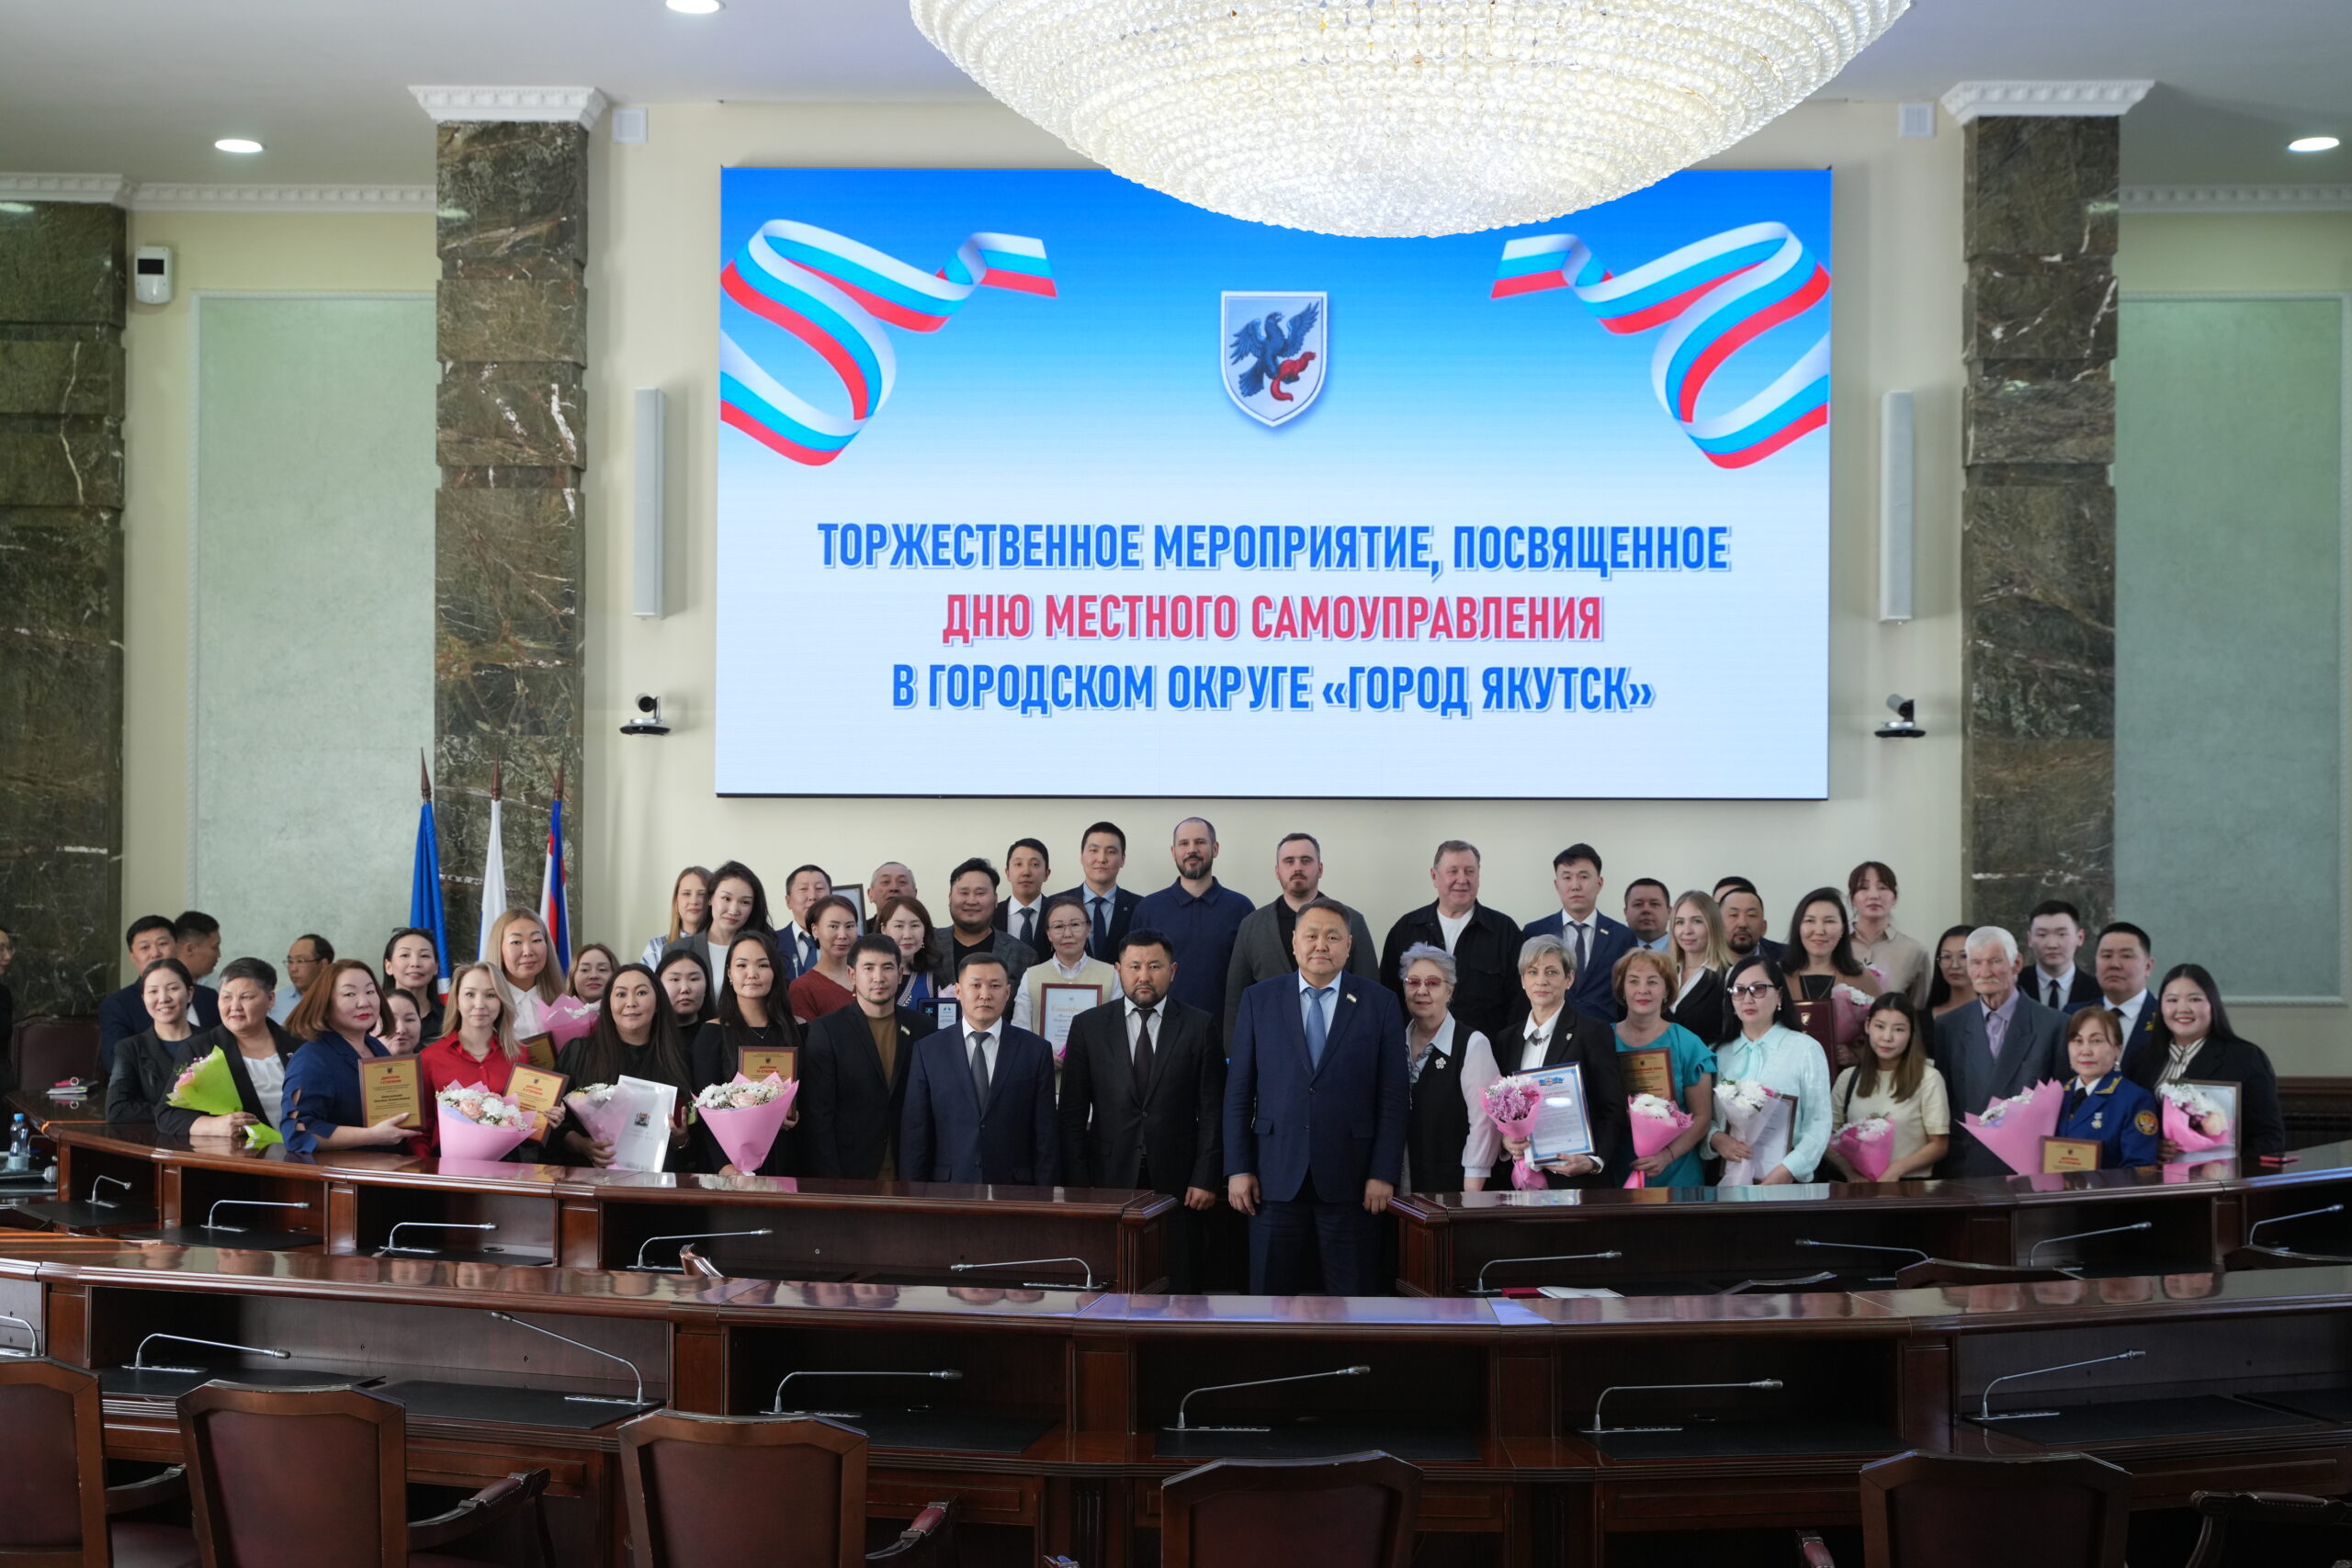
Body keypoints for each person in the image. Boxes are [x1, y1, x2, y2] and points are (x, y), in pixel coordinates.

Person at [1223, 899, 1408, 1294]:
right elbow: (1238, 1092)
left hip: (1353, 1180)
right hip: (1273, 1177)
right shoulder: (1259, 999)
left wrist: (1383, 1173)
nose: (1321, 945)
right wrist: (1238, 1168)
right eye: (1311, 935)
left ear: (1349, 945)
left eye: (1332, 937)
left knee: (1353, 1302)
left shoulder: (1380, 1003)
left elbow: (1393, 1098)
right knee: (1269, 1303)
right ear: (1295, 942)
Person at [1059, 930, 1225, 1290]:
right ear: (1119, 970)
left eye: (1155, 966)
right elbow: (1072, 1114)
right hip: (1108, 1178)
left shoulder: (1199, 1026)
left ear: (1173, 971)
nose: (1144, 976)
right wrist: (1079, 1186)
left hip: (1179, 1183)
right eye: (1134, 966)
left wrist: (1205, 1177)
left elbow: (1213, 1111)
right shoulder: (1089, 1026)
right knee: (1113, 1281)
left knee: (1179, 1282)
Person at [1459, 934, 1629, 1190]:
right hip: (1519, 1180)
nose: (1541, 980)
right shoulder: (1507, 1039)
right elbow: (1498, 1106)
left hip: (1577, 1181)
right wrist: (1506, 1142)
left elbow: (1612, 1107)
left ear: (1569, 978)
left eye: (1552, 972)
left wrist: (1594, 1160)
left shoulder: (1592, 1032)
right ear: (1523, 980)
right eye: (1533, 972)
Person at [900, 952, 1058, 1185]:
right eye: (976, 985)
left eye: (995, 986)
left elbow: (1046, 1135)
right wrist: (914, 1197)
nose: (985, 995)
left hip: (1015, 1189)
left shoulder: (1035, 1050)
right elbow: (916, 1133)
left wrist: (1045, 1197)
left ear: (1007, 992)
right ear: (958, 991)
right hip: (949, 1189)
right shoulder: (928, 1050)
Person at [109, 956, 295, 1140]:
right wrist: (213, 1125)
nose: (235, 1006)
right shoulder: (202, 1048)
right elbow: (167, 1114)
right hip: (245, 1152)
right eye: (227, 997)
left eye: (246, 997)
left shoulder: (297, 1045)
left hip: (304, 1150)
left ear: (270, 999)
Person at [1929, 927, 2064, 1179]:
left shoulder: (2054, 1024)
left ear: (2017, 963)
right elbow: (1945, 1099)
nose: (1985, 971)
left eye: (1994, 961)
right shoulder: (1949, 1026)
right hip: (1966, 1164)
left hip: (2028, 1167)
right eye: (1976, 962)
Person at [1221, 832, 1379, 1042]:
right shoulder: (1252, 926)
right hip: (1270, 1047)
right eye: (1289, 861)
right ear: (1277, 871)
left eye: (1306, 861)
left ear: (1320, 869)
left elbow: (1370, 992)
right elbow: (1235, 1001)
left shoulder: (1352, 922)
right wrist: (1234, 1054)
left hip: (1340, 1045)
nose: (1297, 868)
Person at [2121, 963, 2287, 1160]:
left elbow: (2269, 1138)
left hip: (2222, 1176)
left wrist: (2232, 1169)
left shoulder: (2245, 1058)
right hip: (2151, 1175)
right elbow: (2124, 1126)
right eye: (2172, 1000)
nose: (2182, 1009)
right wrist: (2149, 1147)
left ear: (2212, 1004)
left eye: (2195, 999)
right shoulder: (2140, 1059)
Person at [800, 935, 924, 1179]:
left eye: (887, 967)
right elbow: (818, 1114)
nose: (879, 977)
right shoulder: (826, 1030)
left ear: (900, 974)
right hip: (850, 1171)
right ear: (852, 975)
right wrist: (831, 1181)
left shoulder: (923, 1028)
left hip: (910, 1170)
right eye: (868, 968)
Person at [1378, 840, 1521, 1047]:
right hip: (1416, 1055)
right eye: (1453, 871)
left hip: (1486, 1054)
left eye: (1469, 871)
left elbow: (1519, 1003)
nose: (1462, 879)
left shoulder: (1504, 931)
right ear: (1434, 876)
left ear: (1478, 876)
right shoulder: (1406, 929)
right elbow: (1388, 999)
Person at [418, 961, 566, 1156]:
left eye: (490, 995)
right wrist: (427, 1166)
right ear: (457, 1000)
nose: (480, 1004)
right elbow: (422, 1126)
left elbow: (527, 1128)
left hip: (507, 1166)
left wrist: (548, 1118)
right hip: (446, 1167)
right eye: (470, 994)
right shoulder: (430, 1057)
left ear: (502, 1001)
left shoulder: (519, 1054)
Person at [557, 963, 696, 1168]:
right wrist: (582, 1145)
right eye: (621, 994)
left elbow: (695, 1139)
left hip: (659, 1181)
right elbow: (554, 1121)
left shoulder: (680, 1058)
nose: (631, 1003)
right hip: (590, 1179)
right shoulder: (578, 1052)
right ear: (608, 1004)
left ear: (658, 1003)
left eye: (641, 993)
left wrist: (681, 1140)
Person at [1708, 953, 1832, 1185]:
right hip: (1729, 1176)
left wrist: (1789, 1168)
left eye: (1758, 989)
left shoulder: (1805, 1049)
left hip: (1788, 1179)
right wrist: (1716, 1138)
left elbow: (1819, 1121)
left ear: (1780, 996)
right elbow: (1704, 1115)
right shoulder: (1717, 1053)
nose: (1747, 999)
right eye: (1738, 990)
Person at [689, 932, 803, 1175]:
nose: (752, 974)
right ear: (729, 974)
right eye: (742, 965)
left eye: (763, 965)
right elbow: (704, 1109)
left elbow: (814, 1098)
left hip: (788, 1156)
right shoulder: (712, 1034)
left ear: (775, 972)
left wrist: (795, 1113)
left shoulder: (799, 1030)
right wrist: (724, 1166)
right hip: (730, 1166)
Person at [280, 960, 414, 1154]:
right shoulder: (311, 1059)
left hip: (389, 1164)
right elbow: (297, 1131)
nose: (364, 1002)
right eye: (350, 994)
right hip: (342, 1170)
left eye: (370, 991)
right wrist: (372, 1135)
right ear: (325, 1003)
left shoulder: (376, 1047)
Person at [1610, 948, 1717, 1188]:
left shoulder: (1688, 1043)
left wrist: (1666, 1156)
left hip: (1677, 1173)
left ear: (1667, 990)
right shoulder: (1603, 1040)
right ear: (1622, 989)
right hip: (1618, 1171)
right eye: (1633, 981)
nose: (1643, 990)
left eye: (1653, 982)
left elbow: (1702, 1117)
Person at [1131, 817, 1256, 1020]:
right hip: (1162, 1029)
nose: (1192, 850)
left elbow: (1251, 978)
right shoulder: (1148, 909)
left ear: (1215, 848)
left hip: (1224, 1029)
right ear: (1173, 852)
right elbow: (1134, 975)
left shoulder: (1241, 908)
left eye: (1200, 842)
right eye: (1184, 843)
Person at [1388, 944, 1486, 1199]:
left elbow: (1483, 1124)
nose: (1421, 991)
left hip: (1453, 1189)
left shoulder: (1472, 1044)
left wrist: (1472, 1187)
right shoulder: (1391, 1042)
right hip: (1398, 1186)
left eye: (1432, 983)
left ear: (1449, 990)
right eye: (1413, 982)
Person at [1826, 994, 1950, 1182]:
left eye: (1899, 1029)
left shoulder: (1928, 1078)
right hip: (1859, 1187)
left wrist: (1897, 1169)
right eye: (1880, 1026)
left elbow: (1939, 1145)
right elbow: (1828, 1136)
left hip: (1911, 1187)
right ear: (1867, 1026)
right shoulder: (1849, 1078)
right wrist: (1850, 1173)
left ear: (1911, 1033)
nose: (1887, 1037)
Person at [1521, 843, 1636, 1021]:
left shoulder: (1622, 937)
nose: (1575, 885)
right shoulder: (1534, 932)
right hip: (1551, 1031)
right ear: (1556, 885)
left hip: (1605, 1031)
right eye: (1567, 877)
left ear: (1599, 883)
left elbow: (1628, 994)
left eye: (1583, 877)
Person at [1781, 887, 1881, 1072]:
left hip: (1845, 1081)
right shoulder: (1778, 976)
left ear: (1843, 928)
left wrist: (1856, 1055)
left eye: (1829, 921)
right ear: (1798, 927)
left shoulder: (1862, 978)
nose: (1819, 930)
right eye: (1810, 921)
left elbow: (1881, 1034)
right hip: (1789, 1077)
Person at [2055, 1007, 2158, 1168]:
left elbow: (2140, 1168)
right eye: (2078, 1041)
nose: (2085, 1051)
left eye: (2096, 1041)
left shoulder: (2135, 1099)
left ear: (2117, 1048)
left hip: (2103, 1185)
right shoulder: (2055, 1093)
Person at [99, 915, 201, 1075]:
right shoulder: (117, 1005)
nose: (155, 953)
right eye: (145, 947)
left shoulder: (210, 997)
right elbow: (116, 1063)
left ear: (177, 947)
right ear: (133, 956)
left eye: (163, 944)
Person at [1011, 895, 1118, 1047]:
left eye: (1075, 925)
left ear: (1088, 928)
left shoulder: (1110, 975)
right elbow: (1020, 1029)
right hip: (1044, 1062)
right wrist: (1044, 1054)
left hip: (1096, 1062)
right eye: (1058, 927)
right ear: (1048, 933)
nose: (1067, 934)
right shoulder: (1032, 976)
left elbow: (1117, 1031)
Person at [105, 958, 200, 1125]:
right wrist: (180, 1117)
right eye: (153, 991)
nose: (163, 998)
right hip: (154, 1139)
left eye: (173, 988)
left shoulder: (214, 1041)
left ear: (190, 993)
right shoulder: (130, 1048)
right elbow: (117, 1109)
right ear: (143, 998)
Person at [484, 908, 583, 1063]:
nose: (528, 951)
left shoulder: (564, 1004)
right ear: (499, 949)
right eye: (516, 942)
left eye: (536, 940)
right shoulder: (485, 1007)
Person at [666, 860, 776, 995]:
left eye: (745, 902)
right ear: (710, 898)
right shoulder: (677, 949)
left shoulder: (765, 948)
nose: (733, 910)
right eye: (726, 899)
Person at [931, 859, 1037, 991]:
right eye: (964, 893)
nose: (971, 901)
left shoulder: (1024, 955)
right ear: (950, 898)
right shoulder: (926, 944)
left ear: (996, 899)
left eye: (980, 893)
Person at [1054, 821, 1140, 963]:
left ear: (1123, 859)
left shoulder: (1141, 906)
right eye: (1094, 850)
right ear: (1081, 856)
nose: (1101, 859)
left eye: (1111, 852)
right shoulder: (1054, 905)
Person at [1847, 862, 1930, 1006]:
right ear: (1852, 899)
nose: (1874, 895)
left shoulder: (1914, 951)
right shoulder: (1835, 946)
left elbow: (1918, 1011)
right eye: (1864, 887)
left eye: (1883, 887)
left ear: (1895, 898)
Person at [1665, 890, 1736, 1044]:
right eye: (1680, 922)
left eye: (1697, 921)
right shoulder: (1663, 973)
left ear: (1713, 926)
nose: (1687, 931)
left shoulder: (1730, 976)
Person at [2086, 921, 2161, 1063]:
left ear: (2148, 966)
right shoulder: (2073, 1014)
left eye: (2126, 956)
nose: (2114, 964)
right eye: (2107, 956)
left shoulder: (2165, 1018)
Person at [876, 895, 949, 1032]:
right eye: (899, 926)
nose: (907, 935)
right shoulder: (867, 977)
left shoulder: (933, 981)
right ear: (884, 929)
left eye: (915, 925)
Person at [786, 895, 862, 1023]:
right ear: (815, 930)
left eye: (849, 926)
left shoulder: (868, 976)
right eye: (833, 927)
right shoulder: (802, 988)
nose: (842, 935)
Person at [2026, 899, 2101, 1012]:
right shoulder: (2015, 985)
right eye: (2042, 935)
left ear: (2080, 937)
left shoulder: (2098, 990)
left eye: (2062, 934)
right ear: (2030, 939)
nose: (2052, 945)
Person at [641, 864, 713, 968]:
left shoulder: (723, 946)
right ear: (676, 901)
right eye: (686, 894)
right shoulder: (656, 948)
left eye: (702, 894)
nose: (694, 901)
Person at [380, 928, 445, 1039]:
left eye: (424, 955)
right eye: (405, 955)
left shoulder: (451, 1020)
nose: (415, 963)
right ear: (388, 966)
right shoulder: (374, 1018)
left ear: (436, 967)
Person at [992, 837, 1054, 951]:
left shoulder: (1057, 912)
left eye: (1034, 864)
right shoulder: (991, 915)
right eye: (1018, 864)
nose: (1026, 872)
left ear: (1046, 874)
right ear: (1007, 873)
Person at [781, 863, 833, 976]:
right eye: (803, 889)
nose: (812, 896)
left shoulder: (854, 944)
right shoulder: (770, 943)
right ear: (788, 901)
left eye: (819, 888)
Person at [1714, 880, 1783, 965]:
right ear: (1718, 925)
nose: (1742, 924)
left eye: (1751, 915)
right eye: (1734, 915)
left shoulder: (1787, 959)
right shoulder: (1703, 961)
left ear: (1764, 927)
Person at [273, 932, 333, 1022]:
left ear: (323, 964)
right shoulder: (277, 1001)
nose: (293, 969)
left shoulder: (340, 999)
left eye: (300, 961)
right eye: (290, 961)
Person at [655, 946, 715, 1035]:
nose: (685, 989)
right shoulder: (645, 1035)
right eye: (675, 979)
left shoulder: (720, 1033)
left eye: (694, 979)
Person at [1926, 924, 1977, 1019]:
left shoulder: (1995, 1014)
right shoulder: (1921, 1018)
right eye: (1947, 956)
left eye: (1964, 956)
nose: (1954, 965)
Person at [1623, 879, 1672, 953]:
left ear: (1669, 912)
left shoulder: (1685, 951)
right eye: (1638, 904)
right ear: (1626, 913)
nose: (1646, 910)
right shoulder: (1612, 951)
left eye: (1654, 904)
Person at [865, 863, 916, 930]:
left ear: (915, 893)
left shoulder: (928, 933)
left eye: (902, 882)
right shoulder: (859, 932)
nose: (894, 888)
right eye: (885, 882)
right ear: (871, 894)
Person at [567, 942, 618, 1009]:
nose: (593, 976)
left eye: (602, 969)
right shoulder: (556, 1013)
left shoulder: (627, 1013)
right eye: (585, 970)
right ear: (572, 976)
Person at [379, 988, 424, 1056]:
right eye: (390, 1021)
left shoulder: (435, 1060)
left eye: (409, 1020)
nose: (401, 1030)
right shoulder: (362, 1062)